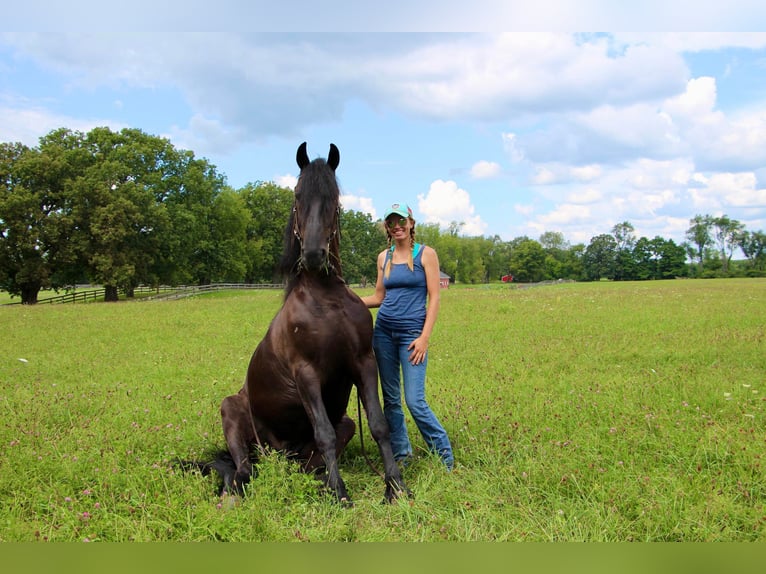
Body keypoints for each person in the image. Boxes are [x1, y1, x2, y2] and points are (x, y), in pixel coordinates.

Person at [361, 202, 454, 470]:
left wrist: (424, 337)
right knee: (390, 398)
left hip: (412, 335)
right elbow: (379, 297)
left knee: (415, 400)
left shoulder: (426, 254)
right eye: (392, 222)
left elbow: (434, 298)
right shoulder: (384, 257)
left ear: (411, 223)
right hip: (384, 335)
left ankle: (444, 455)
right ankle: (402, 454)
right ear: (387, 228)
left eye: (402, 220)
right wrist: (346, 300)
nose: (397, 226)